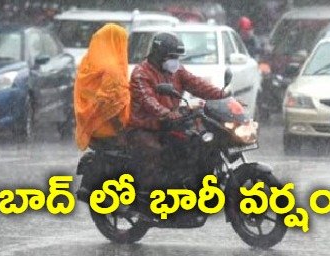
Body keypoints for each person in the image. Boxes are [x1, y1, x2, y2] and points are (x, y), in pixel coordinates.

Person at [126, 32, 229, 189]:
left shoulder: (177, 70)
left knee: (198, 144)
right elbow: (148, 100)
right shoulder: (141, 73)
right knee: (156, 153)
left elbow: (197, 85)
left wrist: (224, 96)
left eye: (177, 57)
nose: (176, 61)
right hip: (145, 127)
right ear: (159, 55)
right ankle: (148, 197)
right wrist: (166, 113)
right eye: (172, 56)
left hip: (171, 124)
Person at [73, 23, 131, 151]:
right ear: (116, 42)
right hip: (108, 129)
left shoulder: (87, 63)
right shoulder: (112, 69)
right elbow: (111, 105)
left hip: (91, 126)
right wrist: (121, 133)